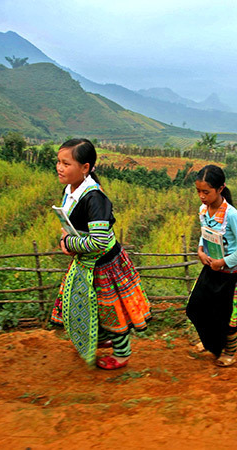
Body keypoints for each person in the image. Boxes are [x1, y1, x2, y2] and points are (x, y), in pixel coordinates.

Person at [51, 138, 151, 370]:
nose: (59, 167)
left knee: (111, 308)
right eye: (58, 162)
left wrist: (69, 242)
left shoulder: (94, 198)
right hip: (86, 262)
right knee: (90, 303)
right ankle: (99, 338)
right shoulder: (71, 190)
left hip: (104, 263)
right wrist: (67, 240)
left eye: (66, 163)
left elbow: (99, 240)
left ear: (85, 168)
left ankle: (122, 354)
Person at [186, 165, 237, 367]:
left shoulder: (232, 215)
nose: (201, 196)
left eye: (206, 192)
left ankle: (229, 352)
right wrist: (201, 251)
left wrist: (223, 262)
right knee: (196, 307)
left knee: (227, 317)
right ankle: (211, 342)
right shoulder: (204, 210)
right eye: (198, 191)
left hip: (231, 273)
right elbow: (205, 234)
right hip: (211, 267)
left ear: (220, 188)